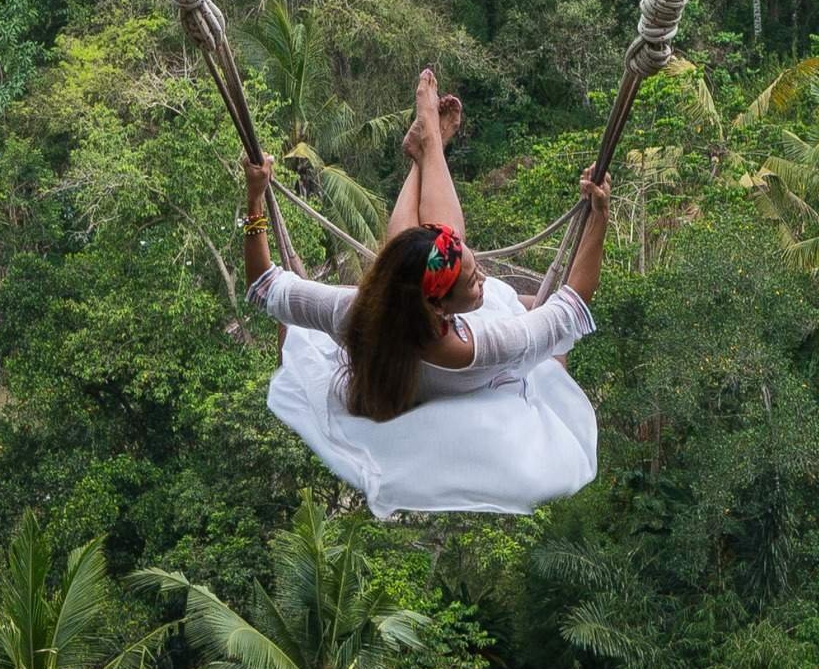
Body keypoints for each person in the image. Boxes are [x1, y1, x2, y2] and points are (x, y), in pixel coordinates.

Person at [240, 67, 612, 516]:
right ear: (436, 303)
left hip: (407, 361)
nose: (483, 280)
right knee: (541, 342)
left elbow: (264, 284)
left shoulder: (361, 310)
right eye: (473, 281)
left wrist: (255, 198)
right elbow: (571, 306)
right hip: (460, 403)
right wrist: (600, 214)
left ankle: (427, 149)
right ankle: (427, 146)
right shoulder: (490, 345)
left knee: (427, 248)